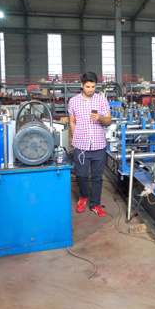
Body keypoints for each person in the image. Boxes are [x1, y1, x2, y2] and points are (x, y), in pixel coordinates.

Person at [68, 72, 112, 216]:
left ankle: (95, 204)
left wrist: (100, 118)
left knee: (97, 177)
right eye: (88, 86)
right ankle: (83, 196)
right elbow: (72, 122)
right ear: (81, 85)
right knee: (81, 175)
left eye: (93, 87)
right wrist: (75, 140)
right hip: (81, 146)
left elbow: (108, 121)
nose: (91, 89)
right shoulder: (73, 101)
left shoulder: (101, 101)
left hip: (98, 146)